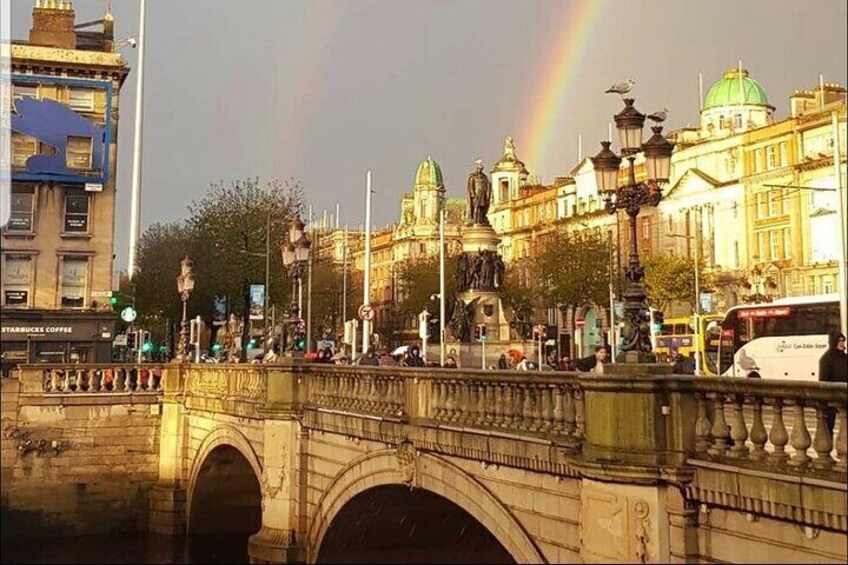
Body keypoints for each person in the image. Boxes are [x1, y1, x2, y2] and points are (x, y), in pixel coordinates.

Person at [819, 330, 847, 432]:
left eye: (843, 340)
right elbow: (824, 379)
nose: (842, 343)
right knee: (828, 425)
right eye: (839, 341)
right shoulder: (827, 358)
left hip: (843, 394)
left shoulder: (844, 357)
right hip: (832, 396)